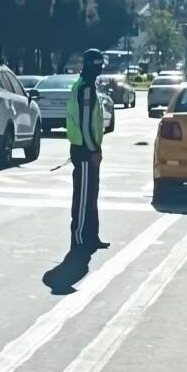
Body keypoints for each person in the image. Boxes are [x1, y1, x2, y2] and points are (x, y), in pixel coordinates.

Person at [66, 48, 110, 252]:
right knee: (84, 197)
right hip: (85, 151)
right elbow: (84, 125)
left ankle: (92, 236)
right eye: (99, 64)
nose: (101, 68)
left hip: (89, 149)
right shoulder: (85, 88)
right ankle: (80, 237)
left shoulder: (88, 85)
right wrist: (94, 150)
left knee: (91, 194)